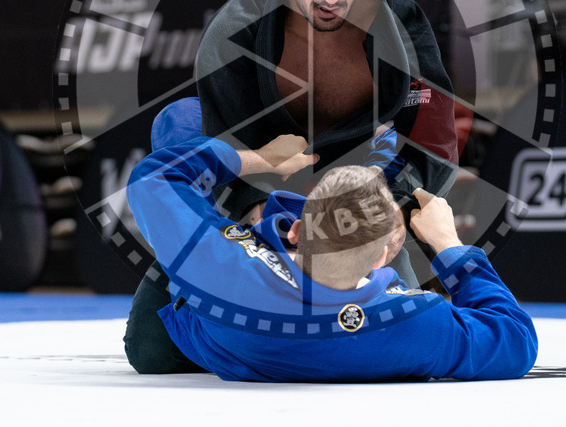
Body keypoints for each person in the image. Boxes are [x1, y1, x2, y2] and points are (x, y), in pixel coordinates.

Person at [124, 98, 537, 381]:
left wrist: (262, 161)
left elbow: (157, 176)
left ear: (298, 229)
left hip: (213, 323)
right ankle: (377, 160)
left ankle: (335, 171)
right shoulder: (414, 323)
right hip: (323, 322)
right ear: (384, 255)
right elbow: (515, 340)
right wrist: (448, 244)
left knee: (180, 121)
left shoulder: (221, 268)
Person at [194, 0, 459, 281]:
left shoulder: (401, 24)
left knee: (391, 328)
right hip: (259, 209)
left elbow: (433, 136)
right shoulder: (234, 33)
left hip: (357, 206)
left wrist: (392, 201)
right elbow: (223, 151)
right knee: (153, 343)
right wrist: (259, 219)